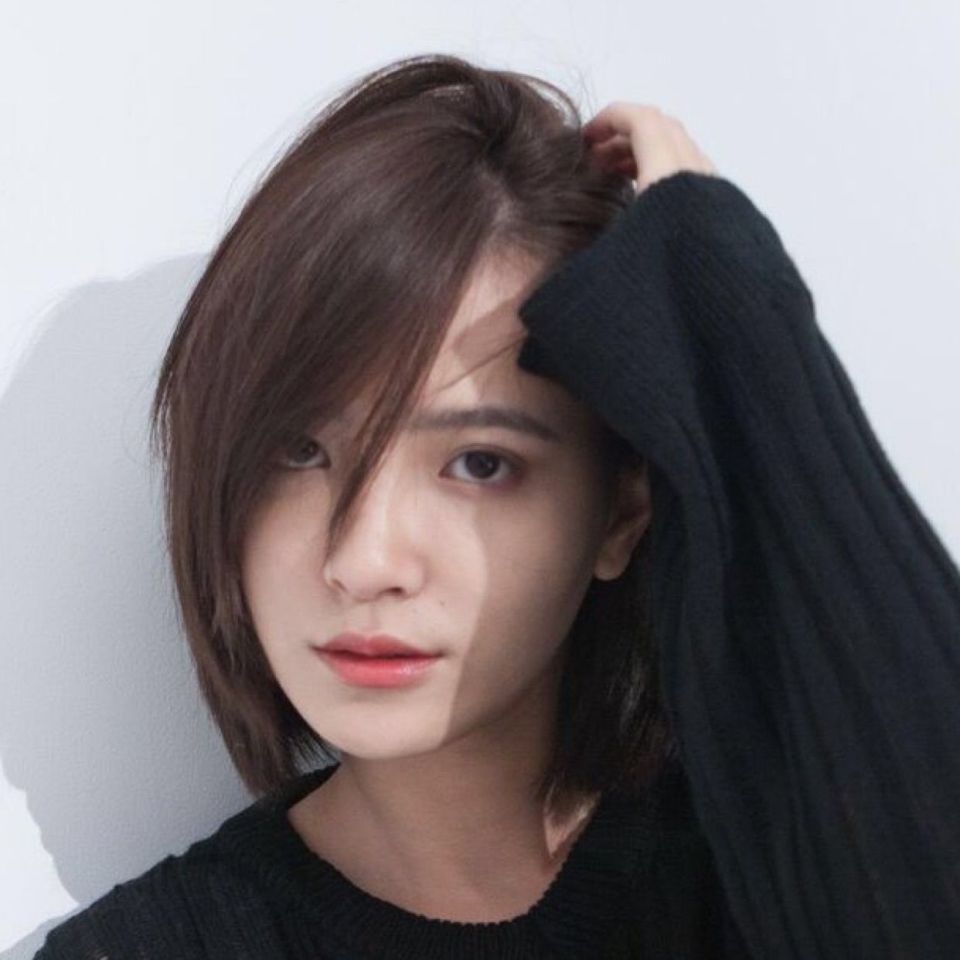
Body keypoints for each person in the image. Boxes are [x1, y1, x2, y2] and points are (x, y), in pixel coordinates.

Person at [34, 54, 960, 959]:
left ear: (620, 513)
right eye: (299, 452)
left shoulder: (765, 881)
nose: (364, 561)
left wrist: (740, 325)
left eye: (479, 463)